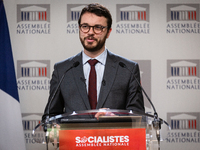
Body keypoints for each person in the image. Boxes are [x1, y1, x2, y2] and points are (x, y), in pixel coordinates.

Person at [42, 3, 145, 121]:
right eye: (85, 26)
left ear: (108, 32)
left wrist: (115, 118)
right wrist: (55, 128)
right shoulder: (62, 70)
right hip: (75, 139)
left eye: (98, 27)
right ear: (79, 28)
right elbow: (49, 117)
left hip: (112, 138)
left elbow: (138, 116)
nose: (90, 32)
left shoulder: (127, 69)